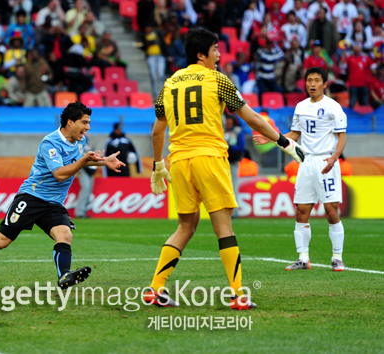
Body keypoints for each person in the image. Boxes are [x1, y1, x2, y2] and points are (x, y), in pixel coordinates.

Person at [144, 28, 305, 310]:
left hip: (179, 161)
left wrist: (158, 164)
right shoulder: (217, 80)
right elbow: (252, 118)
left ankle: (154, 289)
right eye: (216, 49)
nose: (219, 55)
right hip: (209, 158)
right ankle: (238, 295)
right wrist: (284, 143)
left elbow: (157, 132)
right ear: (201, 54)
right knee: (223, 227)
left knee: (185, 226)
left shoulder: (169, 84)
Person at [0, 102, 126, 288]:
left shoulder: (80, 141)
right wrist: (86, 159)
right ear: (70, 122)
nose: (88, 127)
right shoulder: (50, 143)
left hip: (54, 203)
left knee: (64, 234)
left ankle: (64, 276)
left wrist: (103, 162)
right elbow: (60, 174)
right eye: (84, 122)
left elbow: (77, 163)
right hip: (32, 198)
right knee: (0, 241)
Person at [254, 67, 347, 272]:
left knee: (331, 212)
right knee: (301, 211)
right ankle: (303, 259)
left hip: (326, 162)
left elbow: (342, 137)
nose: (312, 84)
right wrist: (271, 138)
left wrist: (334, 158)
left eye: (316, 80)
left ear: (324, 84)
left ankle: (337, 257)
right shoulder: (300, 107)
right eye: (309, 80)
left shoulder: (334, 107)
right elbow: (295, 134)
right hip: (305, 161)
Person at [224, 115, 245, 218]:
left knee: (233, 186)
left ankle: (234, 212)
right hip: (220, 162)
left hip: (232, 161)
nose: (228, 124)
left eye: (229, 122)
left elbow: (241, 147)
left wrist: (228, 147)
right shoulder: (220, 131)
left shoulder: (237, 132)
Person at [75, 140, 97, 218]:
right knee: (85, 188)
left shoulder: (89, 143)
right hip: (83, 168)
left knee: (89, 189)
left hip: (91, 168)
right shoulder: (78, 143)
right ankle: (79, 212)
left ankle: (83, 211)